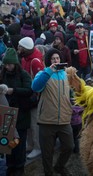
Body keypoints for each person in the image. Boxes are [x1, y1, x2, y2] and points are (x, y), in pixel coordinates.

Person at [32, 48, 74, 176]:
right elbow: (35, 87)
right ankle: (48, 173)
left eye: (58, 58)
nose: (56, 61)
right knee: (47, 152)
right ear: (48, 61)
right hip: (47, 120)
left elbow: (71, 93)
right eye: (53, 59)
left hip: (64, 119)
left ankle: (59, 166)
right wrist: (49, 71)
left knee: (69, 146)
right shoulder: (43, 74)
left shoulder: (67, 75)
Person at [0, 48, 33, 176]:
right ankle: (10, 165)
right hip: (7, 114)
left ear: (15, 63)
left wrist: (12, 90)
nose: (8, 67)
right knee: (8, 141)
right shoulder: (2, 74)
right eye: (6, 64)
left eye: (10, 64)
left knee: (20, 143)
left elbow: (29, 90)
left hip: (21, 114)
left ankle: (20, 166)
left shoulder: (23, 74)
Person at [17, 37, 44, 159]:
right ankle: (30, 144)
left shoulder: (35, 61)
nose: (18, 49)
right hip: (27, 96)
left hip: (34, 98)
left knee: (34, 124)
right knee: (28, 122)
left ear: (25, 48)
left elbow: (41, 81)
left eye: (20, 47)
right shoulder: (25, 58)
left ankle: (37, 147)